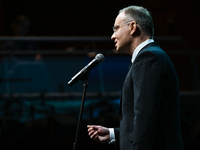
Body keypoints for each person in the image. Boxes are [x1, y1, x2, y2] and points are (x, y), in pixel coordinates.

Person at [87, 5, 184, 150]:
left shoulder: (148, 58)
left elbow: (145, 118)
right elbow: (149, 122)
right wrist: (114, 134)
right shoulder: (151, 56)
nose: (112, 36)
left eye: (116, 28)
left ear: (133, 27)